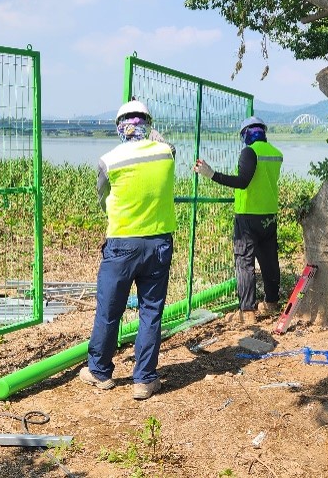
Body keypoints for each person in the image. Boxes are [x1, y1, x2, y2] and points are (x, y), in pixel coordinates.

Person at [79, 99, 176, 400]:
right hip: (158, 243)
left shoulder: (109, 160)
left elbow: (101, 197)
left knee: (110, 310)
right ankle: (144, 379)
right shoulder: (166, 154)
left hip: (121, 243)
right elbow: (168, 147)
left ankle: (99, 372)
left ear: (120, 127)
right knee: (150, 311)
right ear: (148, 123)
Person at [194, 116, 283, 326]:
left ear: (245, 134)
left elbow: (243, 182)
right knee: (270, 260)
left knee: (244, 262)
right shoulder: (275, 154)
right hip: (269, 215)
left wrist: (211, 174)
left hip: (248, 216)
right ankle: (271, 303)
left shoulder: (249, 152)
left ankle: (247, 311)